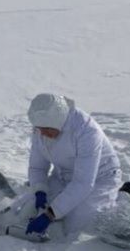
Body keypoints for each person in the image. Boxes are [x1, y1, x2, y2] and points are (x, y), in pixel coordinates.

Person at [23, 93, 122, 238]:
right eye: (39, 129)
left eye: (46, 129)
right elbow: (38, 167)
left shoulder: (86, 131)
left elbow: (83, 182)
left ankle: (123, 193)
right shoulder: (42, 128)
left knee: (77, 224)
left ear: (57, 122)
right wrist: (40, 191)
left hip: (100, 178)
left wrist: (50, 214)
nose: (42, 134)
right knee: (30, 206)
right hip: (63, 175)